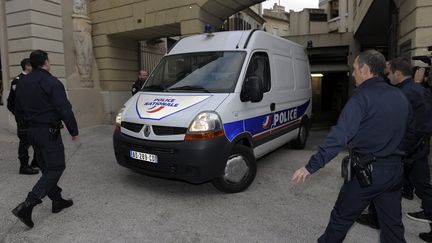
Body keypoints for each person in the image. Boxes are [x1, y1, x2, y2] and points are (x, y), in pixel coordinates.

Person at [292, 50, 413, 243]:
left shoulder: (361, 98)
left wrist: (311, 166)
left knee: (340, 219)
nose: (353, 73)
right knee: (392, 226)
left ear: (365, 70)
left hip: (367, 174)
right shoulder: (400, 97)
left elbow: (339, 136)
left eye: (355, 69)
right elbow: (410, 133)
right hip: (394, 172)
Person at [11, 50, 79, 228]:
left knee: (47, 167)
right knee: (56, 167)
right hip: (47, 132)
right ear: (45, 62)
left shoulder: (22, 82)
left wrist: (25, 127)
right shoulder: (51, 81)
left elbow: (16, 108)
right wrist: (73, 130)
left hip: (32, 131)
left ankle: (57, 201)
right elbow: (64, 109)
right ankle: (28, 205)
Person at [6, 58, 39, 175]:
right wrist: (18, 115)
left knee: (35, 138)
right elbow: (11, 101)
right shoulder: (18, 80)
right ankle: (24, 166)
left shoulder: (30, 79)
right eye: (32, 66)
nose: (34, 68)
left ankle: (36, 162)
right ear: (26, 66)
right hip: (23, 117)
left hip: (32, 116)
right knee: (25, 141)